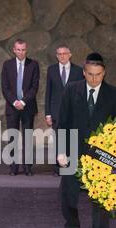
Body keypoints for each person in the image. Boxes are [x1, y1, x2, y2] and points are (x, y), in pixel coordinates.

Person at [57, 53, 116, 228]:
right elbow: (63, 122)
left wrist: (115, 156)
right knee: (68, 196)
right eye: (91, 74)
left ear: (104, 73)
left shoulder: (114, 94)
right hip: (73, 151)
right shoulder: (71, 89)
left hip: (102, 155)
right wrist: (61, 151)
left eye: (99, 75)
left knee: (102, 201)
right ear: (84, 73)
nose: (94, 79)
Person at [1, 39, 40, 176]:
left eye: (23, 49)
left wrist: (23, 102)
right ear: (14, 50)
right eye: (18, 49)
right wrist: (14, 102)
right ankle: (13, 167)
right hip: (12, 108)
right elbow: (5, 88)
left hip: (27, 107)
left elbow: (34, 87)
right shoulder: (7, 65)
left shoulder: (33, 65)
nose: (21, 52)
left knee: (27, 138)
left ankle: (27, 167)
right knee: (13, 138)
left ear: (26, 49)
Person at [45, 45, 84, 176]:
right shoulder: (51, 70)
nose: (62, 56)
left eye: (64, 53)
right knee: (58, 140)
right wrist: (48, 113)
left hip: (73, 111)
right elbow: (48, 92)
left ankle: (70, 166)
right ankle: (58, 168)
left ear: (70, 55)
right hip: (56, 112)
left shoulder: (78, 71)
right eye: (59, 54)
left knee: (71, 139)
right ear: (56, 56)